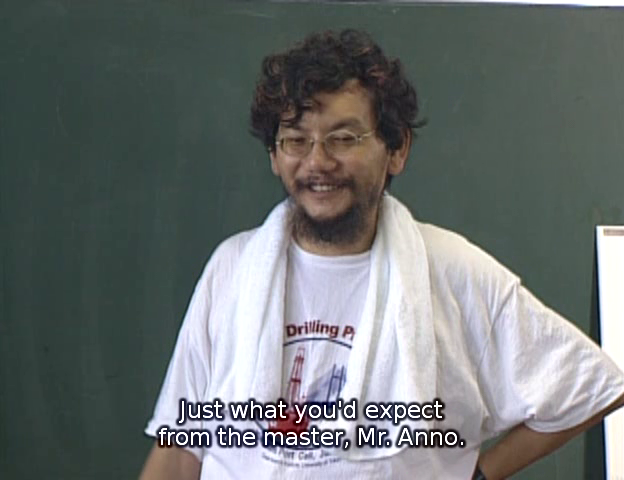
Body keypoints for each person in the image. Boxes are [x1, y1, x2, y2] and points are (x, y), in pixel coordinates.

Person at [139, 29, 624, 480]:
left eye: (344, 138)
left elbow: (588, 387)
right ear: (274, 154)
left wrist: (478, 475)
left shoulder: (454, 271)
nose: (317, 162)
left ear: (397, 149)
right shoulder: (232, 268)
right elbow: (181, 449)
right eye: (295, 140)